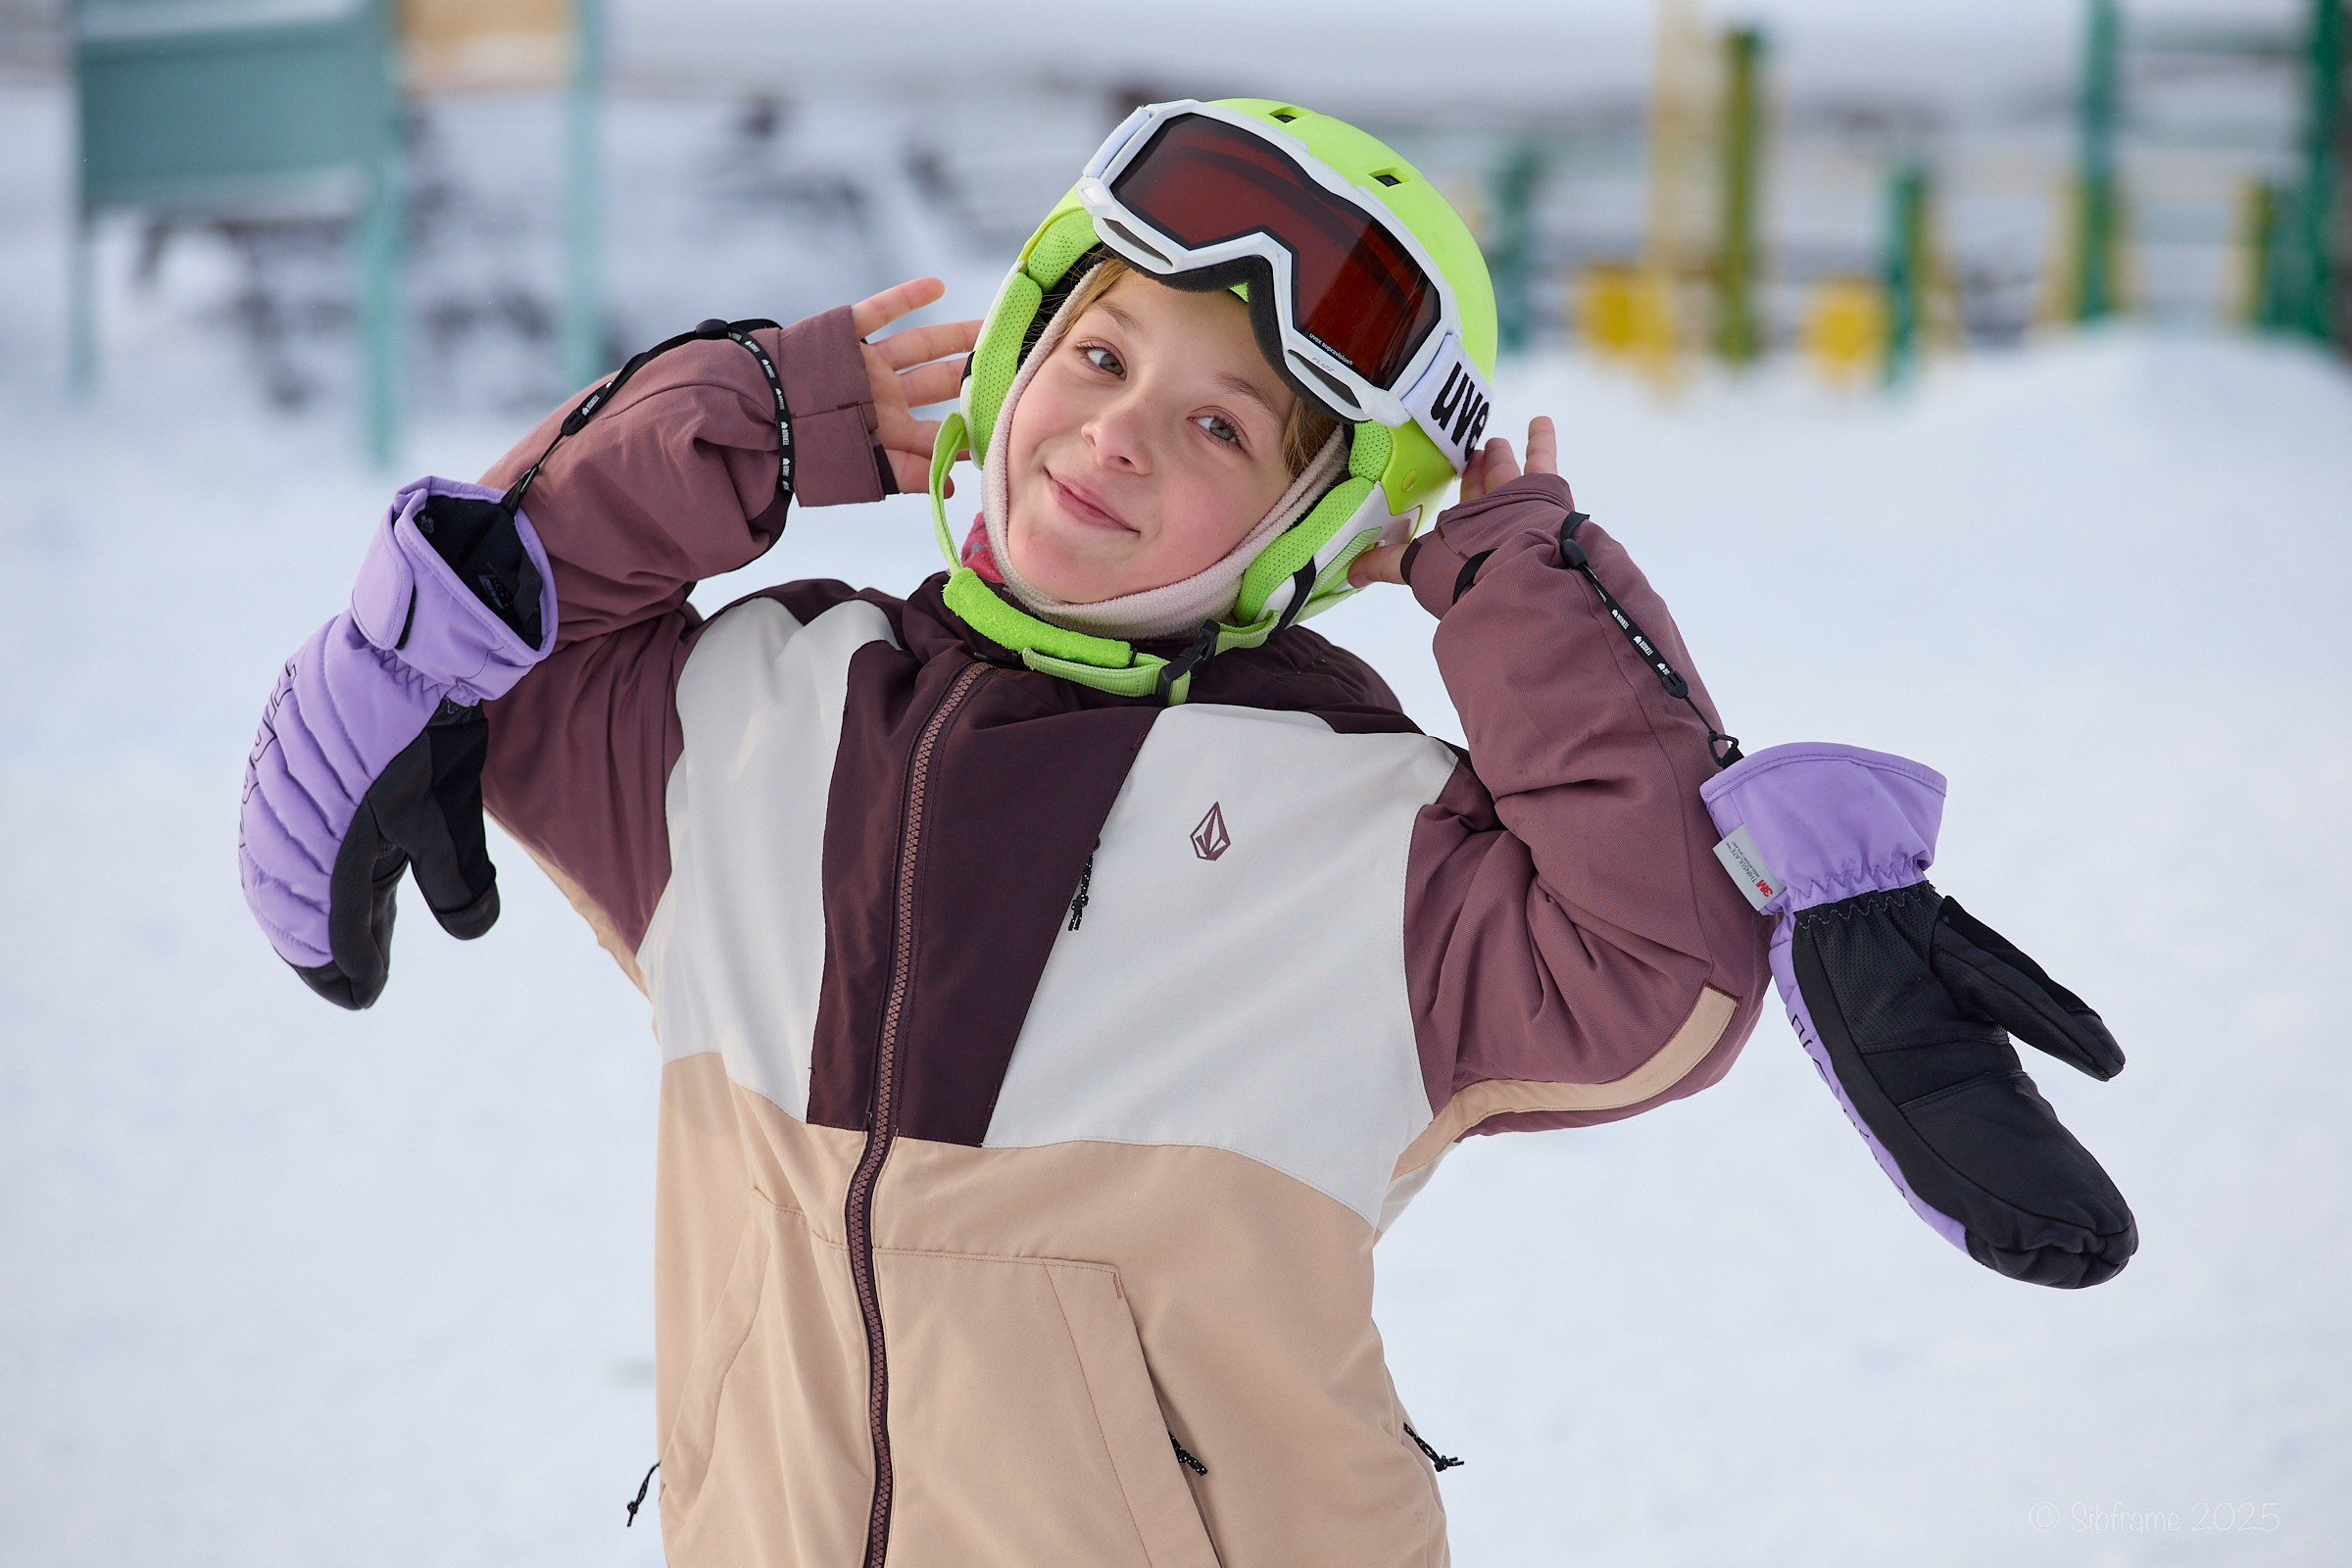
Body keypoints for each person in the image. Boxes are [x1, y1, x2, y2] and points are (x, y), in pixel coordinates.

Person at [239, 99, 1779, 1566]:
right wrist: (748, 421)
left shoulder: (1358, 838)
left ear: (1314, 524)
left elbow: (1663, 963)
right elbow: (504, 625)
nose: (1118, 434)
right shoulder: (765, 718)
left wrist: (1526, 598)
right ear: (1015, 352)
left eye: (1223, 429)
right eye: (1099, 352)